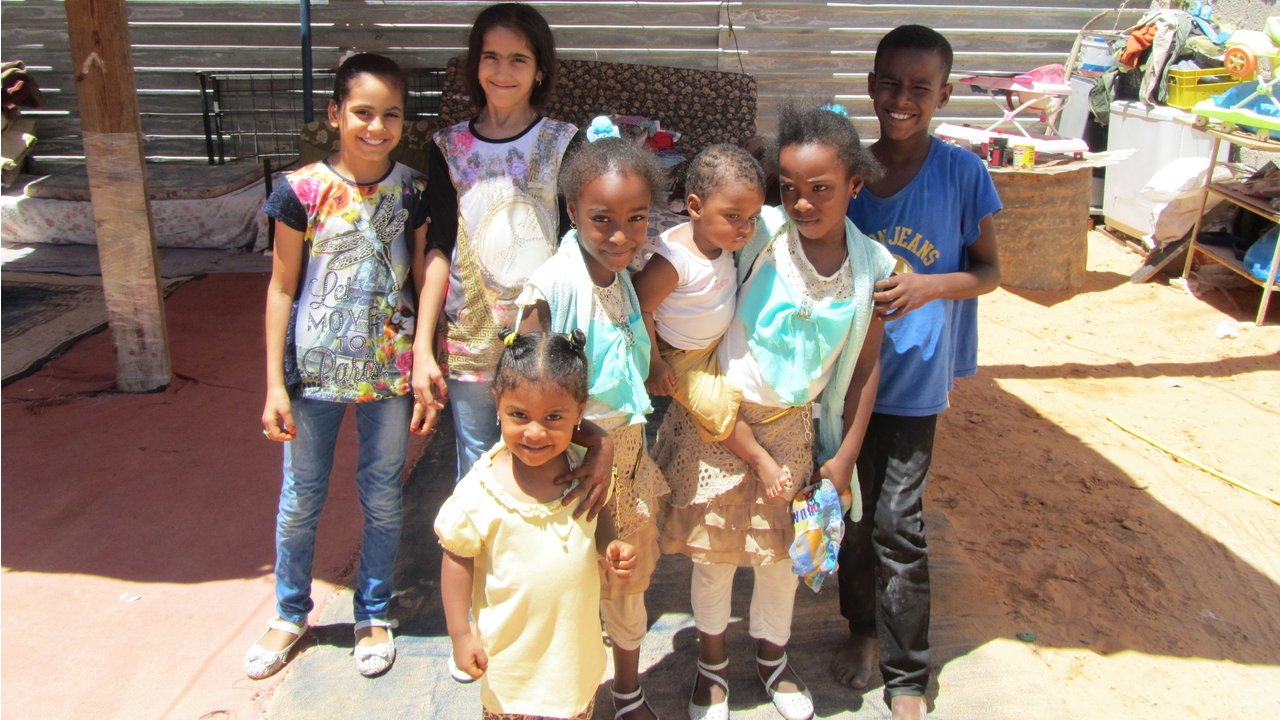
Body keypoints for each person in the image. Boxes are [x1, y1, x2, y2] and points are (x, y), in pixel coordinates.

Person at [654, 103, 894, 720]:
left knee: (781, 561)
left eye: (821, 188)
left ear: (855, 185)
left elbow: (866, 368)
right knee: (713, 559)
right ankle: (712, 668)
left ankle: (773, 660)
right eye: (789, 188)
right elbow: (686, 240)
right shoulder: (758, 231)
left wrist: (845, 459)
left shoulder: (874, 269)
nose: (803, 203)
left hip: (791, 432)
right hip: (719, 425)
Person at [245, 53, 433, 680]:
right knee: (301, 497)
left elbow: (425, 276)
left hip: (389, 374)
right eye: (363, 112)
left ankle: (372, 612)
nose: (376, 127)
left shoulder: (412, 191)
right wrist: (274, 383)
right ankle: (289, 613)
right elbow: (281, 288)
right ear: (334, 114)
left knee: (382, 495)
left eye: (391, 115)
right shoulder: (299, 191)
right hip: (313, 375)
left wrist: (424, 357)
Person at [835, 25, 1002, 720]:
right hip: (846, 379)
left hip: (915, 380)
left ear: (945, 95)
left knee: (899, 522)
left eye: (920, 88)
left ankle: (907, 676)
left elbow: (989, 272)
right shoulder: (849, 171)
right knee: (852, 513)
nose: (902, 99)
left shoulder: (964, 174)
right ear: (871, 86)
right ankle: (863, 631)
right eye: (890, 84)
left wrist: (930, 286)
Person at [415, 3, 602, 497]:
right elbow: (439, 247)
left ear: (540, 70)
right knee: (478, 469)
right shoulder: (448, 146)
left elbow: (578, 244)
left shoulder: (562, 143)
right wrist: (422, 346)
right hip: (472, 335)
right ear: (475, 63)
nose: (503, 71)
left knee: (548, 460)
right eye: (490, 57)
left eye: (519, 59)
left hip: (544, 337)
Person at [515, 135, 669, 720]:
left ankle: (627, 692)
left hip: (624, 465)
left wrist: (653, 367)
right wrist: (594, 442)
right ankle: (567, 697)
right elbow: (526, 400)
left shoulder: (620, 276)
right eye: (602, 219)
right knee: (570, 591)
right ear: (572, 211)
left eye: (637, 219)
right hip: (569, 474)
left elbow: (629, 339)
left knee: (626, 587)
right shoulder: (553, 288)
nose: (621, 235)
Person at [435, 330, 636, 720]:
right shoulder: (480, 492)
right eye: (519, 415)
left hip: (573, 666)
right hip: (512, 675)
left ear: (580, 413)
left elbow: (598, 515)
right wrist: (461, 634)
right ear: (497, 403)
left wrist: (612, 546)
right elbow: (456, 557)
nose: (534, 431)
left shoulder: (587, 474)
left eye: (553, 417)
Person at [633, 144, 793, 498]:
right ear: (695, 207)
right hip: (680, 356)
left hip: (716, 345)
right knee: (716, 408)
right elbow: (640, 307)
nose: (745, 229)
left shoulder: (723, 242)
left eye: (752, 218)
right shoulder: (674, 260)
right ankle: (760, 460)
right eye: (733, 216)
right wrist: (653, 364)